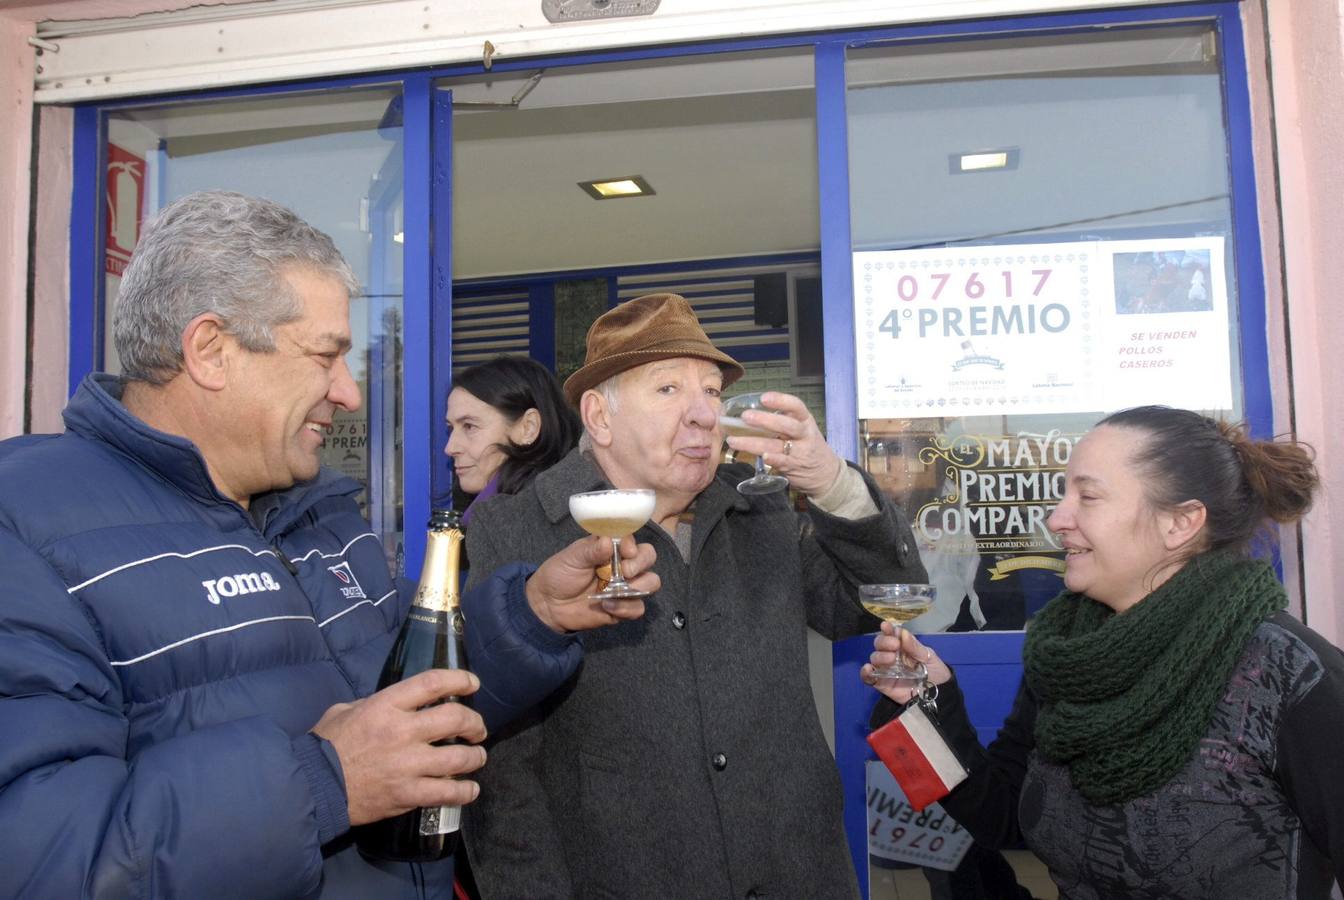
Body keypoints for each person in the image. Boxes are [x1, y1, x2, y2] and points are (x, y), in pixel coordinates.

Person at [0, 190, 658, 900]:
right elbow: (45, 859)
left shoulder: (322, 514)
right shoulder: (27, 526)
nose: (348, 393)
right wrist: (326, 779)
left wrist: (531, 615)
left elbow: (415, 704)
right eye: (326, 356)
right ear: (211, 352)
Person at [462, 291, 927, 899]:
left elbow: (858, 604)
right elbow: (502, 766)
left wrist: (835, 486)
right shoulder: (517, 531)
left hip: (797, 873)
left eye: (711, 391)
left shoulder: (758, 505)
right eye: (668, 389)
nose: (704, 414)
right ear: (600, 417)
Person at [865, 405, 1344, 899]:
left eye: (1087, 496)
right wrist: (926, 705)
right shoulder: (1069, 654)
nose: (1056, 519)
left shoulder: (1289, 675)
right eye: (1063, 492)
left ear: (1180, 522)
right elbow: (1002, 819)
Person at [445, 354, 580, 524]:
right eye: (450, 428)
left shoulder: (516, 527)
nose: (450, 447)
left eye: (469, 426)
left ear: (528, 428)